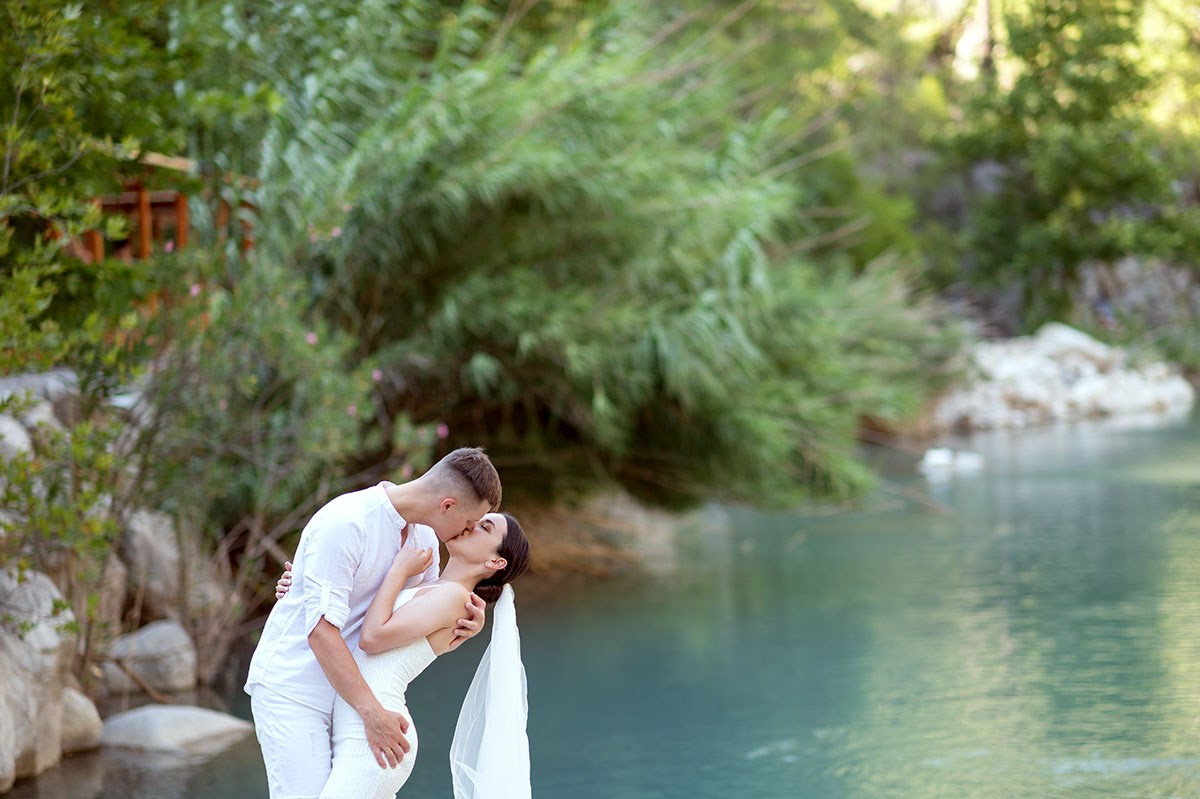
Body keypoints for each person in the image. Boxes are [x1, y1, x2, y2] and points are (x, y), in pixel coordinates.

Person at [245, 447, 503, 799]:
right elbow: (320, 631)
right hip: (295, 687)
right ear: (447, 506)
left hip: (349, 700)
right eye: (470, 523)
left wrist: (467, 620)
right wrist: (374, 714)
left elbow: (410, 621)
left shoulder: (424, 540)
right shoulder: (348, 522)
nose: (466, 532)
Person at [316, 510, 532, 799]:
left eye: (485, 526)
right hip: (361, 728)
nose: (471, 525)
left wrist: (398, 571)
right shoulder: (434, 588)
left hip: (376, 737)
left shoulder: (455, 597)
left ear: (495, 561)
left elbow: (372, 638)